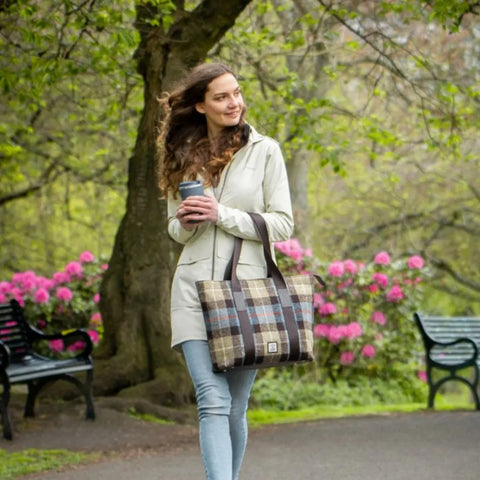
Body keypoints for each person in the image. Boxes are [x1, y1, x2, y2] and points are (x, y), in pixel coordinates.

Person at [158, 62, 294, 480]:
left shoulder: (265, 150)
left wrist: (222, 214)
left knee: (235, 407)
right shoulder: (181, 156)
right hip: (193, 291)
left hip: (246, 293)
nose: (234, 102)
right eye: (221, 96)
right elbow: (174, 231)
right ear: (200, 105)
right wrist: (187, 221)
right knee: (211, 400)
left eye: (236, 92)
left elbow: (283, 225)